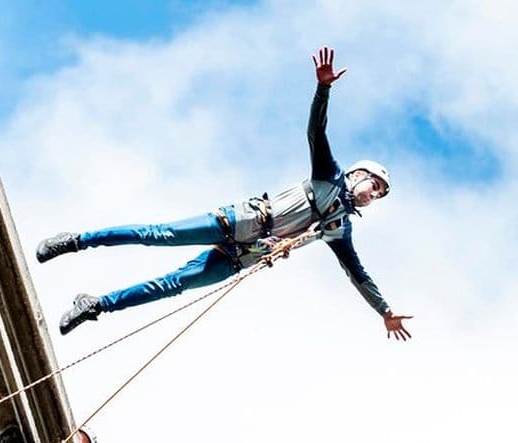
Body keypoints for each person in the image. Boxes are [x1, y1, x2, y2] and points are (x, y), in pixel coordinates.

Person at [37, 46, 413, 340]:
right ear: (358, 175)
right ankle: (76, 241)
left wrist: (383, 311)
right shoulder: (328, 177)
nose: (373, 194)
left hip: (243, 255)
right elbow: (317, 131)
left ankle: (96, 305)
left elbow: (357, 275)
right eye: (374, 185)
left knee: (172, 286)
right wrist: (323, 88)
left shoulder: (340, 229)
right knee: (156, 235)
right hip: (236, 223)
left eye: (379, 194)